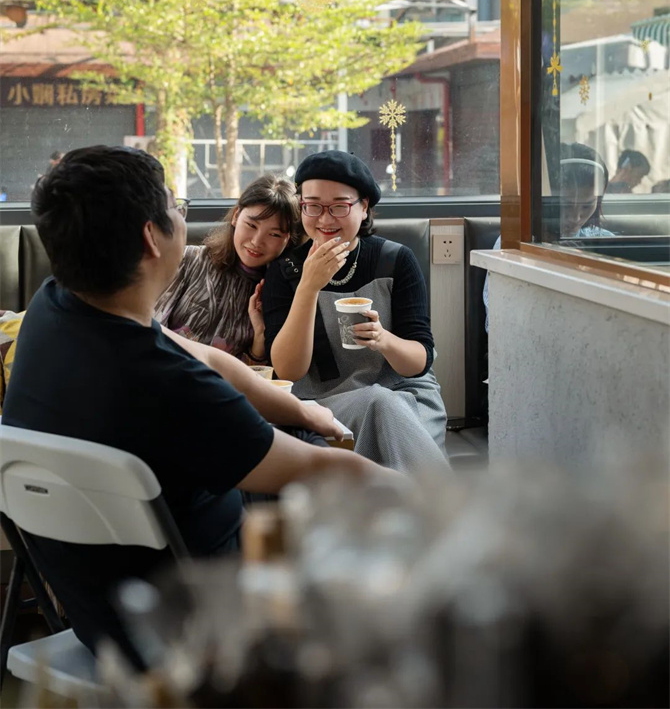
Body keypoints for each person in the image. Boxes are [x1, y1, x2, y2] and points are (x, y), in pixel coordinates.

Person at [2, 146, 394, 666]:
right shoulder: (170, 386)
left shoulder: (57, 305)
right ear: (151, 236)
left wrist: (303, 411)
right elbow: (321, 469)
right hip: (199, 632)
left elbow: (205, 355)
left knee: (306, 436)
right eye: (176, 205)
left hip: (102, 617)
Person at [262, 150, 448, 472]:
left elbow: (419, 362)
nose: (325, 219)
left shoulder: (396, 260)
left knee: (384, 402)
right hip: (325, 401)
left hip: (406, 394)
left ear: (364, 208)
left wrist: (382, 339)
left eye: (339, 206)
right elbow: (287, 371)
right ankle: (440, 498)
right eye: (313, 205)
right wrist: (308, 287)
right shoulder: (285, 271)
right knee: (377, 402)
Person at [155, 175, 300, 365]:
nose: (256, 241)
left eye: (274, 234)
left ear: (288, 239)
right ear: (236, 216)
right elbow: (149, 331)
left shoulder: (278, 292)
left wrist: (259, 337)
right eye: (251, 225)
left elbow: (256, 376)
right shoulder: (188, 260)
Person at [484, 143, 613, 331]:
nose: (575, 217)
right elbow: (500, 321)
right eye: (566, 205)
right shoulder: (514, 244)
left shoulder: (605, 241)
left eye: (587, 206)